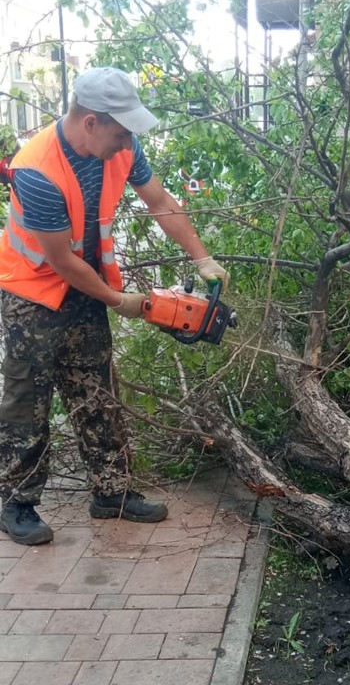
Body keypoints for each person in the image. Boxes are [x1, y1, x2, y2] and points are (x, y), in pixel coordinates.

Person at [0, 67, 229, 545]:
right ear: (90, 122)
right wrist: (119, 300)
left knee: (96, 389)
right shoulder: (36, 170)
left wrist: (202, 257)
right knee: (28, 398)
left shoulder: (122, 148)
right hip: (31, 292)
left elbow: (161, 201)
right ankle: (16, 502)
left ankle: (112, 493)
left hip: (85, 286)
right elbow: (60, 260)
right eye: (120, 131)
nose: (127, 142)